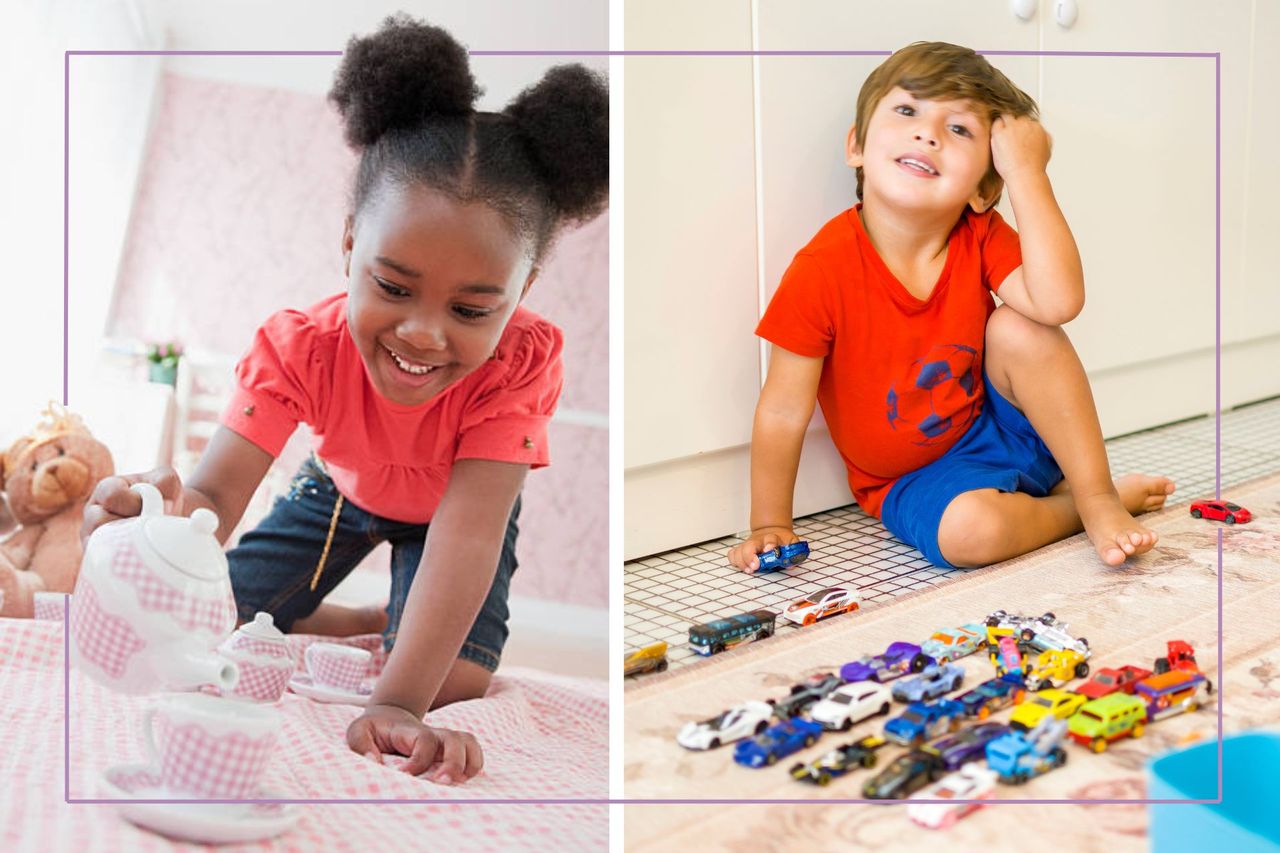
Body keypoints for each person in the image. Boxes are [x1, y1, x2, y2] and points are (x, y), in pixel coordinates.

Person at [80, 15, 607, 785]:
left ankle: (392, 630)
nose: (424, 334)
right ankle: (358, 619)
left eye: (470, 310)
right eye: (393, 288)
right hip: (342, 488)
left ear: (520, 292)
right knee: (220, 615)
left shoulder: (522, 364)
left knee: (454, 679)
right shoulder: (300, 346)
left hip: (452, 509)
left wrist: (397, 700)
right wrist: (145, 534)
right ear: (351, 243)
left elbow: (467, 538)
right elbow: (214, 496)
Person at [727, 42, 1172, 575]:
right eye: (908, 111)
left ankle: (1097, 495)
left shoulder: (978, 232)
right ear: (857, 147)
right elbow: (781, 410)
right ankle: (1075, 509)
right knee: (970, 533)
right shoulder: (821, 270)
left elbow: (1058, 303)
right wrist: (768, 522)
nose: (928, 133)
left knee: (1023, 327)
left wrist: (1028, 174)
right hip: (914, 481)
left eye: (959, 129)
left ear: (984, 188)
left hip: (1008, 432)